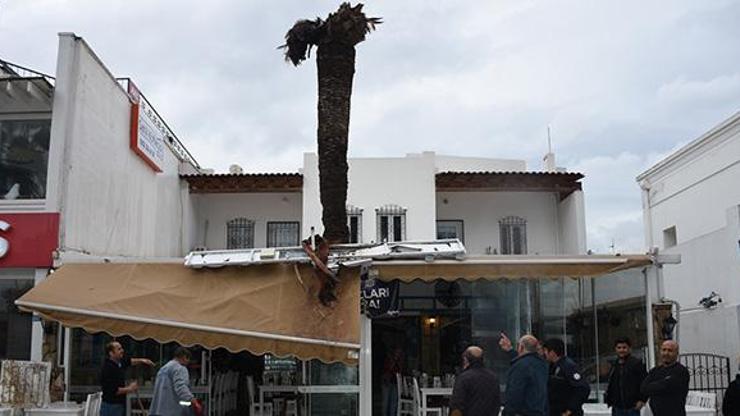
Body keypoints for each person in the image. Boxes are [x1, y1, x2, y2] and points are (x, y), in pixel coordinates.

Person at [99, 341, 154, 416]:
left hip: (119, 405)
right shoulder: (108, 368)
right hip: (111, 407)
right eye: (119, 349)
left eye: (121, 348)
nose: (122, 350)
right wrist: (130, 388)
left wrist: (142, 360)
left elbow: (129, 361)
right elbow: (113, 390)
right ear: (111, 353)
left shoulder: (118, 363)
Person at [500, 334, 549, 416]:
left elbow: (515, 393)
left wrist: (508, 412)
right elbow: (527, 360)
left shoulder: (519, 366)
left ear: (521, 347)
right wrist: (510, 350)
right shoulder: (542, 365)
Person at [640, 340, 690, 416]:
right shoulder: (655, 370)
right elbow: (644, 388)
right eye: (664, 350)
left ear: (677, 353)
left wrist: (654, 386)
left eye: (670, 351)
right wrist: (662, 383)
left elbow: (666, 386)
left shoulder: (681, 371)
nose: (666, 353)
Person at [542, 338, 590, 416]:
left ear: (552, 352)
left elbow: (583, 388)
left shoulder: (568, 367)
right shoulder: (551, 367)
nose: (544, 353)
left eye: (545, 351)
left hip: (566, 412)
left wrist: (570, 409)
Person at [449, 346, 501, 416]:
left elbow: (457, 406)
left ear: (465, 359)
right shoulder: (494, 378)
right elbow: (497, 403)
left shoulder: (464, 378)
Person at [149, 347, 202, 416]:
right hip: (172, 410)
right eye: (188, 359)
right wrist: (193, 400)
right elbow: (181, 387)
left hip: (157, 410)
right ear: (184, 357)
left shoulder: (163, 369)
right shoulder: (180, 368)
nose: (188, 362)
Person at [604, 337, 647, 416]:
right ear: (615, 349)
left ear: (629, 349)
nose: (621, 350)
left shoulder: (636, 364)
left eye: (624, 347)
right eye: (619, 348)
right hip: (617, 407)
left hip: (632, 407)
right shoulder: (614, 365)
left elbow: (644, 382)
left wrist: (642, 400)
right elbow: (612, 383)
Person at [381, 345, 403, 416]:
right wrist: (394, 361)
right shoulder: (388, 359)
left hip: (395, 383)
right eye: (397, 352)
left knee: (394, 402)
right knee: (385, 402)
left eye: (400, 352)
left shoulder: (400, 361)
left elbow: (400, 372)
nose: (398, 354)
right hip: (386, 382)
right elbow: (387, 369)